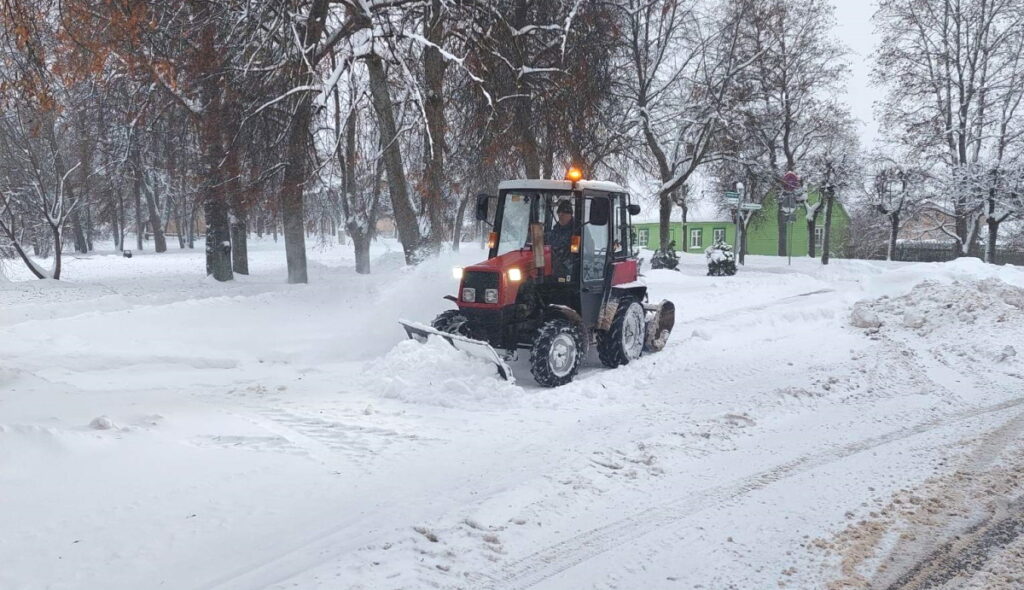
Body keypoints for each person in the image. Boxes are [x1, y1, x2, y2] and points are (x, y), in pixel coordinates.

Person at [546, 199, 574, 279]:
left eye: (564, 213)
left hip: (570, 271)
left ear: (570, 215)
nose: (560, 216)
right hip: (553, 269)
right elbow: (550, 242)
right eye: (559, 213)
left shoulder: (578, 231)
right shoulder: (556, 230)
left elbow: (583, 253)